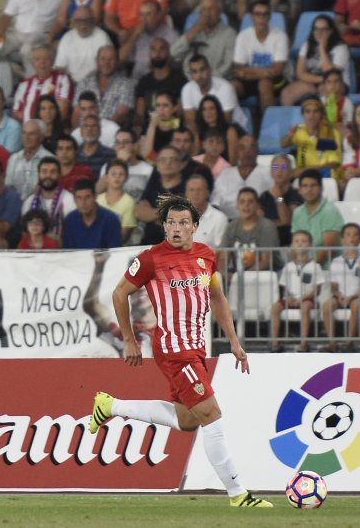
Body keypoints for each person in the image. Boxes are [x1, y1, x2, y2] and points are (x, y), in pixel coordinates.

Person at [93, 194, 272, 508]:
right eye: (171, 223)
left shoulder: (206, 256)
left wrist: (234, 341)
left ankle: (110, 406)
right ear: (164, 226)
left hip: (196, 350)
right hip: (175, 350)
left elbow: (217, 297)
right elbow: (119, 293)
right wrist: (130, 340)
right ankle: (238, 494)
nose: (176, 228)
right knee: (211, 415)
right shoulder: (151, 258)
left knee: (188, 420)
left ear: (195, 227)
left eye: (183, 223)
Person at [270, 229, 326, 352]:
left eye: (304, 241)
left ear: (310, 245)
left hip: (308, 299)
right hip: (290, 299)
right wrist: (289, 298)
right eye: (296, 241)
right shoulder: (288, 266)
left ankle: (303, 343)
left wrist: (303, 298)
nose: (300, 244)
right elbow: (284, 287)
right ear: (292, 245)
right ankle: (275, 343)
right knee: (275, 307)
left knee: (305, 307)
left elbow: (317, 289)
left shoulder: (315, 266)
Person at [322, 223, 360, 351]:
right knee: (326, 306)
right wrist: (339, 296)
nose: (352, 238)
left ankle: (349, 342)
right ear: (342, 239)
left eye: (355, 235)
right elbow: (334, 286)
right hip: (340, 297)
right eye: (348, 235)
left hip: (358, 297)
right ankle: (332, 343)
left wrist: (352, 296)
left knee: (355, 305)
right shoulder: (336, 261)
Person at [231, 0, 287, 112]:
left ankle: (267, 127)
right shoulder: (243, 36)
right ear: (251, 16)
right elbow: (238, 69)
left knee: (264, 84)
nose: (261, 18)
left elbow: (277, 70)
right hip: (250, 80)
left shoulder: (280, 36)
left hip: (274, 80)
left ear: (270, 16)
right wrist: (264, 72)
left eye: (265, 14)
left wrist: (249, 74)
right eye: (258, 14)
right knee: (231, 87)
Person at [171, 0, 236, 81]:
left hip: (216, 82)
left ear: (219, 11)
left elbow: (228, 65)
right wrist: (196, 28)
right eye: (204, 9)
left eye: (211, 9)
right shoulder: (193, 32)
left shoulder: (229, 34)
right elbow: (173, 53)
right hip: (190, 81)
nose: (207, 13)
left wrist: (206, 79)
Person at [290, 171, 342, 263]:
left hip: (326, 269)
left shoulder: (330, 211)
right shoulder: (297, 212)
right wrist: (295, 266)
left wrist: (309, 268)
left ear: (321, 188)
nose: (309, 189)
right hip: (302, 265)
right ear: (300, 190)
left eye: (313, 185)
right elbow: (295, 246)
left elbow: (327, 250)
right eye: (305, 186)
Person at [61, 178, 123, 249]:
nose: (83, 202)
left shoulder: (111, 220)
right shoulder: (70, 220)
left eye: (87, 197)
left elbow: (115, 252)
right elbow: (68, 251)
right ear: (74, 199)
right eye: (79, 198)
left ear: (95, 197)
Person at [98, 159, 137, 243]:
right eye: (113, 174)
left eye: (121, 174)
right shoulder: (97, 200)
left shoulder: (129, 202)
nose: (117, 177)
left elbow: (124, 235)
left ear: (126, 177)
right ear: (106, 177)